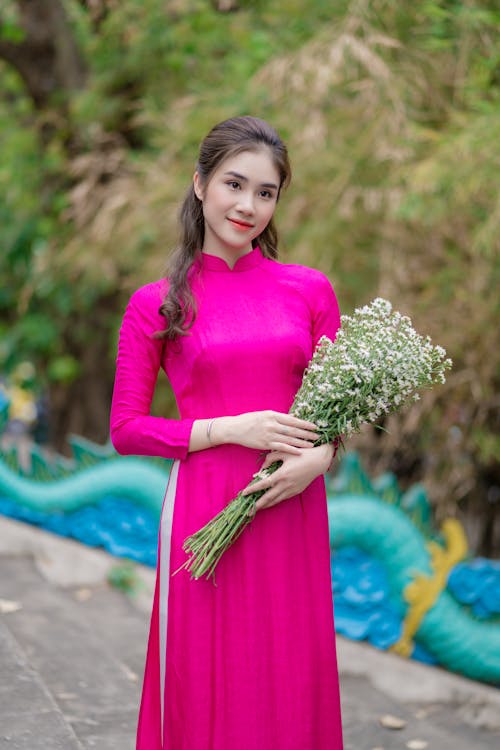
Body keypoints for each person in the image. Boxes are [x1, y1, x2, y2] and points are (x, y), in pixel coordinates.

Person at [110, 115, 344, 750]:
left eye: (265, 193)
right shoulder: (156, 303)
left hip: (289, 503)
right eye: (234, 184)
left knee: (289, 674)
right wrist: (227, 429)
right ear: (199, 183)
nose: (247, 205)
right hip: (204, 507)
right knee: (208, 678)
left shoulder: (310, 291)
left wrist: (319, 459)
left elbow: (336, 411)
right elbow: (127, 430)